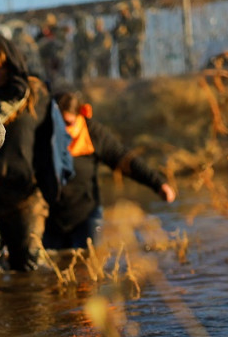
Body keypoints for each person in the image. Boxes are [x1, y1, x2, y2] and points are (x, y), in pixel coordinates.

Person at [0, 33, 61, 271]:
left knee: (30, 271)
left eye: (0, 66)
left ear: (12, 63)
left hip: (25, 196)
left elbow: (51, 145)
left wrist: (52, 190)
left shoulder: (35, 94)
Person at [43, 91, 176, 251]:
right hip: (51, 219)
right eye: (59, 124)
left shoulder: (93, 134)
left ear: (80, 116)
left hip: (86, 216)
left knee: (87, 266)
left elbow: (124, 159)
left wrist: (158, 183)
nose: (64, 130)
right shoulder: (45, 135)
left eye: (68, 123)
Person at [114, 0, 146, 79]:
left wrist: (126, 31)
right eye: (120, 11)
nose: (121, 13)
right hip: (123, 49)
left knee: (135, 67)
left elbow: (138, 30)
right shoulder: (119, 22)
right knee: (124, 69)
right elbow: (115, 34)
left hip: (132, 47)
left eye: (122, 11)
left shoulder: (134, 19)